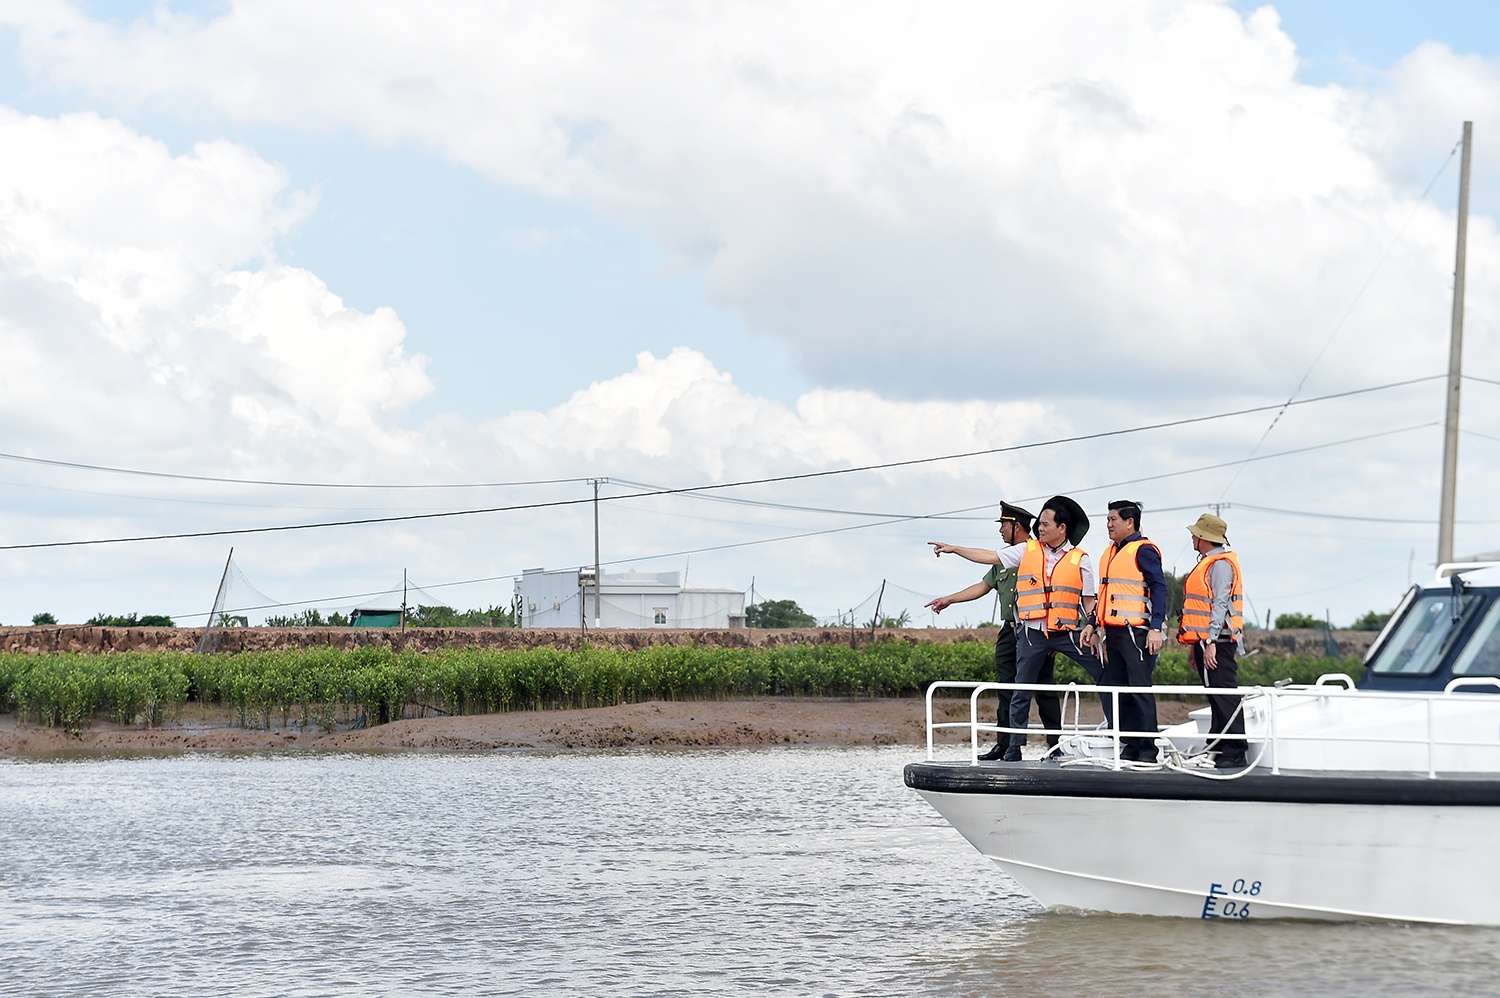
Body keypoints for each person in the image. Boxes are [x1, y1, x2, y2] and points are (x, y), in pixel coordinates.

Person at [926, 502, 1062, 761]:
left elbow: (1061, 589)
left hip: (1036, 630)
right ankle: (1007, 744)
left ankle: (1055, 745)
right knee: (1006, 687)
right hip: (1010, 631)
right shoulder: (1006, 559)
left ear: (1016, 527)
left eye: (1003, 525)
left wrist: (1055, 634)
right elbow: (982, 586)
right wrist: (948, 600)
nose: (1000, 530)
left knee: (1043, 688)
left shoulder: (1039, 554)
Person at [1000, 495, 1109, 761]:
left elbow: (1089, 601)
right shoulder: (1028, 550)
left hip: (1067, 633)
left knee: (1105, 672)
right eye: (1040, 523)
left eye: (1046, 524)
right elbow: (989, 556)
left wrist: (1093, 629)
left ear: (1062, 528)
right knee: (1021, 688)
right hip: (1033, 632)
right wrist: (953, 548)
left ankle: (1118, 731)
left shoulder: (1080, 559)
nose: (1040, 527)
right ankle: (1015, 747)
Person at [1093, 500, 1169, 762]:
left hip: (1136, 633)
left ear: (1130, 522)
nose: (1108, 524)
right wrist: (1093, 625)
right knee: (1115, 688)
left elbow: (1159, 588)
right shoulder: (1111, 552)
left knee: (1139, 690)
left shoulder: (1143, 550)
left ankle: (1148, 749)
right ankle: (1130, 744)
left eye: (1113, 519)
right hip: (1113, 633)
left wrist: (1155, 628)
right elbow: (1104, 594)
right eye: (1107, 519)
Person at [1178, 512, 1247, 769]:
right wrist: (1197, 645)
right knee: (1215, 694)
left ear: (1205, 537)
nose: (1192, 537)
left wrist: (1211, 642)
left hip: (1219, 641)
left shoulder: (1220, 564)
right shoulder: (1210, 562)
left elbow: (1220, 603)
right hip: (1206, 641)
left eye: (1195, 534)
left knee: (1224, 694)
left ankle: (1235, 749)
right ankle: (1218, 746)